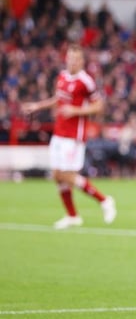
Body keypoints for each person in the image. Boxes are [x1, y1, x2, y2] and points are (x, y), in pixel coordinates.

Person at [21, 44, 116, 229]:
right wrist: (38, 106)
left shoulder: (86, 81)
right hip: (59, 132)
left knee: (67, 174)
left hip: (74, 135)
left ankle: (104, 200)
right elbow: (59, 99)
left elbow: (99, 106)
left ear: (82, 61)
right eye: (70, 58)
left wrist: (76, 110)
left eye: (76, 59)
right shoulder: (63, 76)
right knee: (57, 175)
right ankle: (72, 215)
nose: (72, 61)